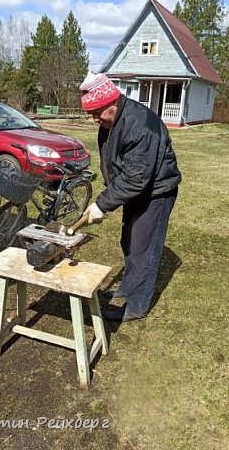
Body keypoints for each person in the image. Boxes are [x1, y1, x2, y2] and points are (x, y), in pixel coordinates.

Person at [81, 73, 182, 323]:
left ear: (111, 103)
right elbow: (118, 163)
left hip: (156, 192)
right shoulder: (112, 122)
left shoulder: (137, 125)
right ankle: (128, 287)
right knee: (129, 241)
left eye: (97, 112)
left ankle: (136, 306)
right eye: (91, 113)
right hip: (137, 192)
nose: (94, 119)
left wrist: (102, 204)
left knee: (143, 250)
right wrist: (112, 195)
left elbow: (137, 178)